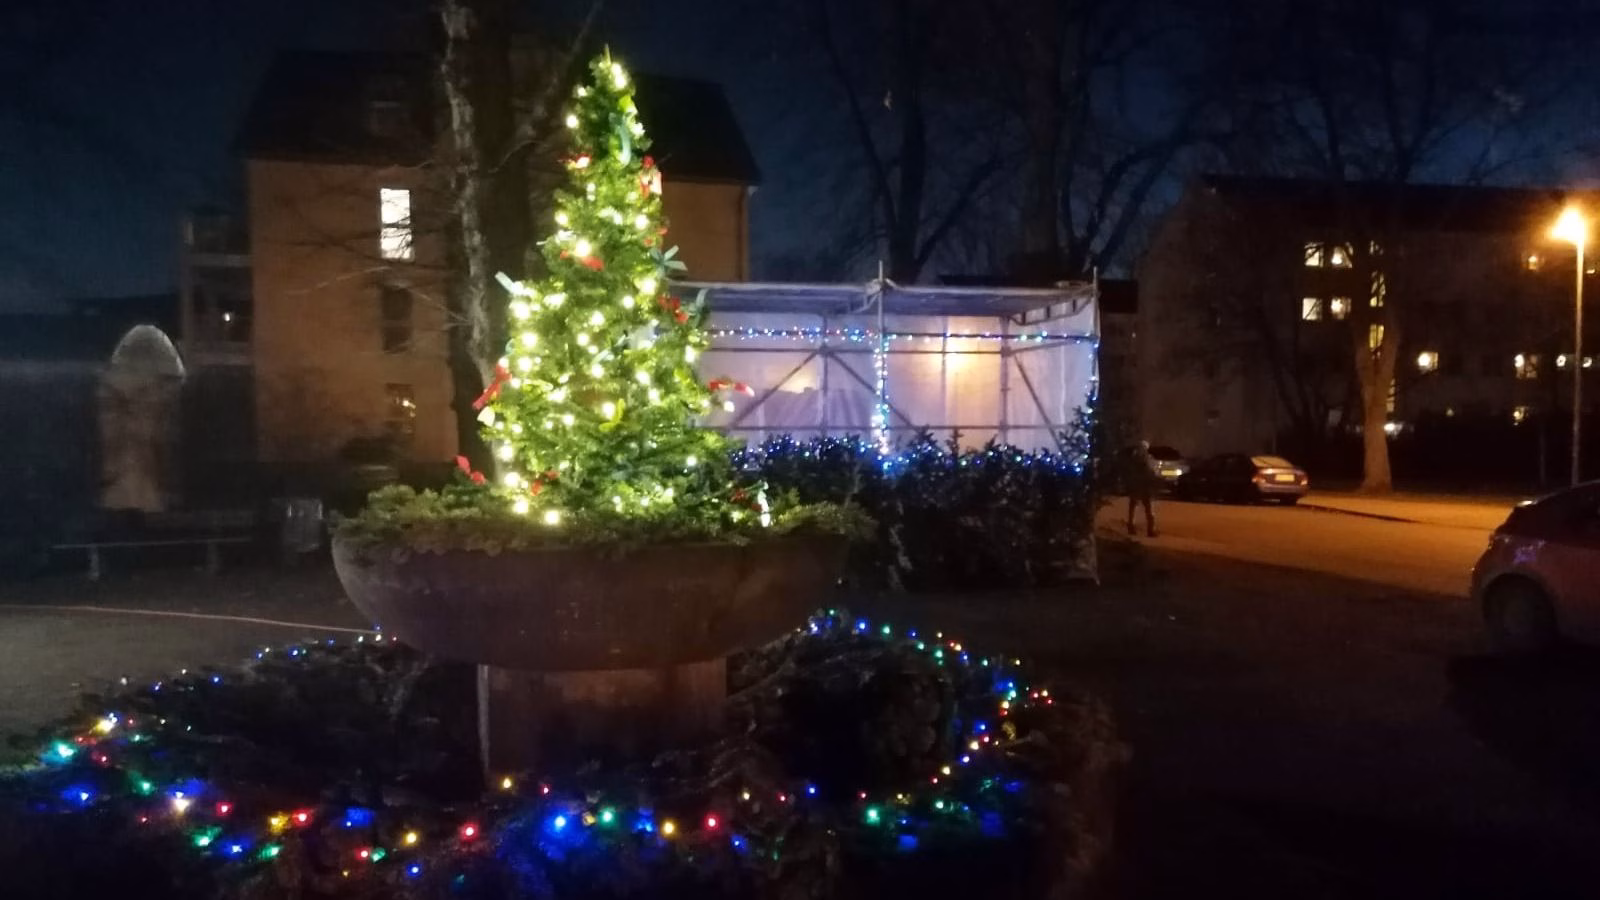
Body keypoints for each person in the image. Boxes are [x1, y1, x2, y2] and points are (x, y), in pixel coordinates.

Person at [1124, 440, 1159, 538]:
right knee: (1149, 510)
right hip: (1145, 488)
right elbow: (1153, 473)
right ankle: (1150, 530)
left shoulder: (1132, 460)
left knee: (1134, 509)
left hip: (1136, 487)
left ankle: (1131, 527)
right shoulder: (1148, 459)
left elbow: (1129, 474)